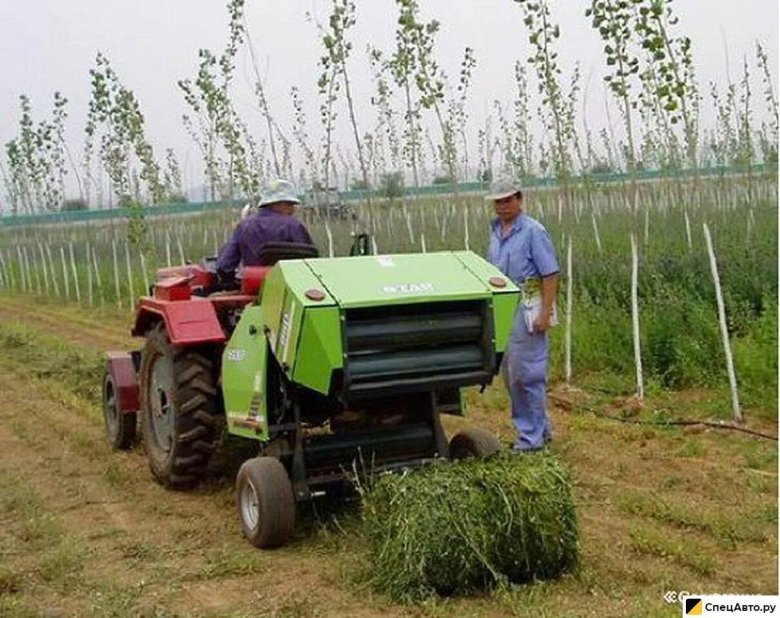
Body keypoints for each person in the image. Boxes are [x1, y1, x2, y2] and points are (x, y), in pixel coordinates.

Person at [485, 178, 559, 452]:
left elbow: (550, 273)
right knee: (511, 373)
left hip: (528, 306)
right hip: (504, 307)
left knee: (528, 374)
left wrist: (545, 312)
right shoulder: (495, 232)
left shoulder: (532, 231)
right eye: (498, 202)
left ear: (519, 199)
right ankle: (541, 429)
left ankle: (531, 439)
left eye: (507, 200)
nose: (502, 206)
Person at [216, 178, 315, 285]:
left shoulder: (243, 226)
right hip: (290, 287)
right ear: (278, 203)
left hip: (254, 289)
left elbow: (224, 266)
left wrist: (231, 285)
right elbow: (311, 263)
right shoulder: (293, 226)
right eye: (290, 204)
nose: (293, 209)